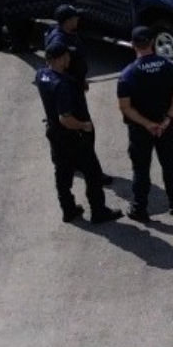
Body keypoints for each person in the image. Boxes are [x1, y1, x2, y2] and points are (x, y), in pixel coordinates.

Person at [34, 40, 122, 225]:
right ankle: (98, 211)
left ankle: (68, 209)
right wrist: (84, 126)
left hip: (54, 134)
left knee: (63, 172)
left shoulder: (42, 75)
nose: (69, 58)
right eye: (66, 56)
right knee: (92, 172)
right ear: (59, 59)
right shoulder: (62, 85)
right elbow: (65, 118)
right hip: (73, 135)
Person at [117, 25, 173, 222]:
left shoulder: (127, 74)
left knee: (141, 169)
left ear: (133, 45)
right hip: (166, 126)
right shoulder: (168, 65)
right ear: (152, 43)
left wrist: (147, 124)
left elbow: (125, 107)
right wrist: (166, 119)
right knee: (169, 164)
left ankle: (139, 208)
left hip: (140, 129)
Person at [45, 3, 113, 186]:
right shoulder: (58, 41)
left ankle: (72, 160)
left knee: (71, 131)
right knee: (86, 131)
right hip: (69, 91)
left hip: (74, 85)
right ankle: (94, 172)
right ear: (67, 21)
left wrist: (81, 79)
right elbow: (55, 67)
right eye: (75, 17)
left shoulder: (68, 33)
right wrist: (73, 83)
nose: (78, 19)